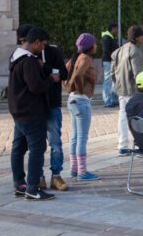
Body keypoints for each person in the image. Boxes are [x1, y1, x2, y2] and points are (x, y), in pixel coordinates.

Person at [8, 27, 58, 201]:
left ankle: (19, 184)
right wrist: (51, 79)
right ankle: (32, 188)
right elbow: (35, 86)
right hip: (31, 112)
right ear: (36, 42)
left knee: (18, 149)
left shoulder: (16, 57)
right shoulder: (28, 61)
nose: (43, 49)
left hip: (19, 111)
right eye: (43, 45)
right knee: (37, 149)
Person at [64, 33, 100, 180]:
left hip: (72, 100)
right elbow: (78, 75)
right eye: (95, 43)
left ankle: (74, 169)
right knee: (82, 138)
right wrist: (79, 89)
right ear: (90, 46)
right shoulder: (86, 59)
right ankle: (82, 172)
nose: (96, 45)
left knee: (74, 137)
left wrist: (69, 88)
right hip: (81, 101)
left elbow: (64, 73)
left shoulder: (76, 57)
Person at [38, 39, 69, 191]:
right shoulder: (29, 55)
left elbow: (64, 73)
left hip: (52, 104)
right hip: (36, 106)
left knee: (55, 143)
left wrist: (47, 68)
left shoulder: (53, 52)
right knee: (37, 144)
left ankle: (56, 175)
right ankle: (39, 177)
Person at [111, 25, 143, 156]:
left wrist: (118, 84)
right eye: (141, 35)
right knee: (138, 118)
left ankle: (122, 145)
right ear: (136, 37)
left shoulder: (118, 51)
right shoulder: (135, 51)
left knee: (123, 118)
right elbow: (138, 74)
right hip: (134, 90)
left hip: (121, 89)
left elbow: (113, 73)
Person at [101, 23, 119, 107]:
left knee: (114, 80)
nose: (117, 31)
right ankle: (107, 101)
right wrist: (114, 57)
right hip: (108, 61)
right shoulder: (106, 38)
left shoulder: (111, 38)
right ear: (113, 29)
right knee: (108, 80)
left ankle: (114, 99)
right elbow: (106, 50)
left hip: (112, 62)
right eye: (116, 29)